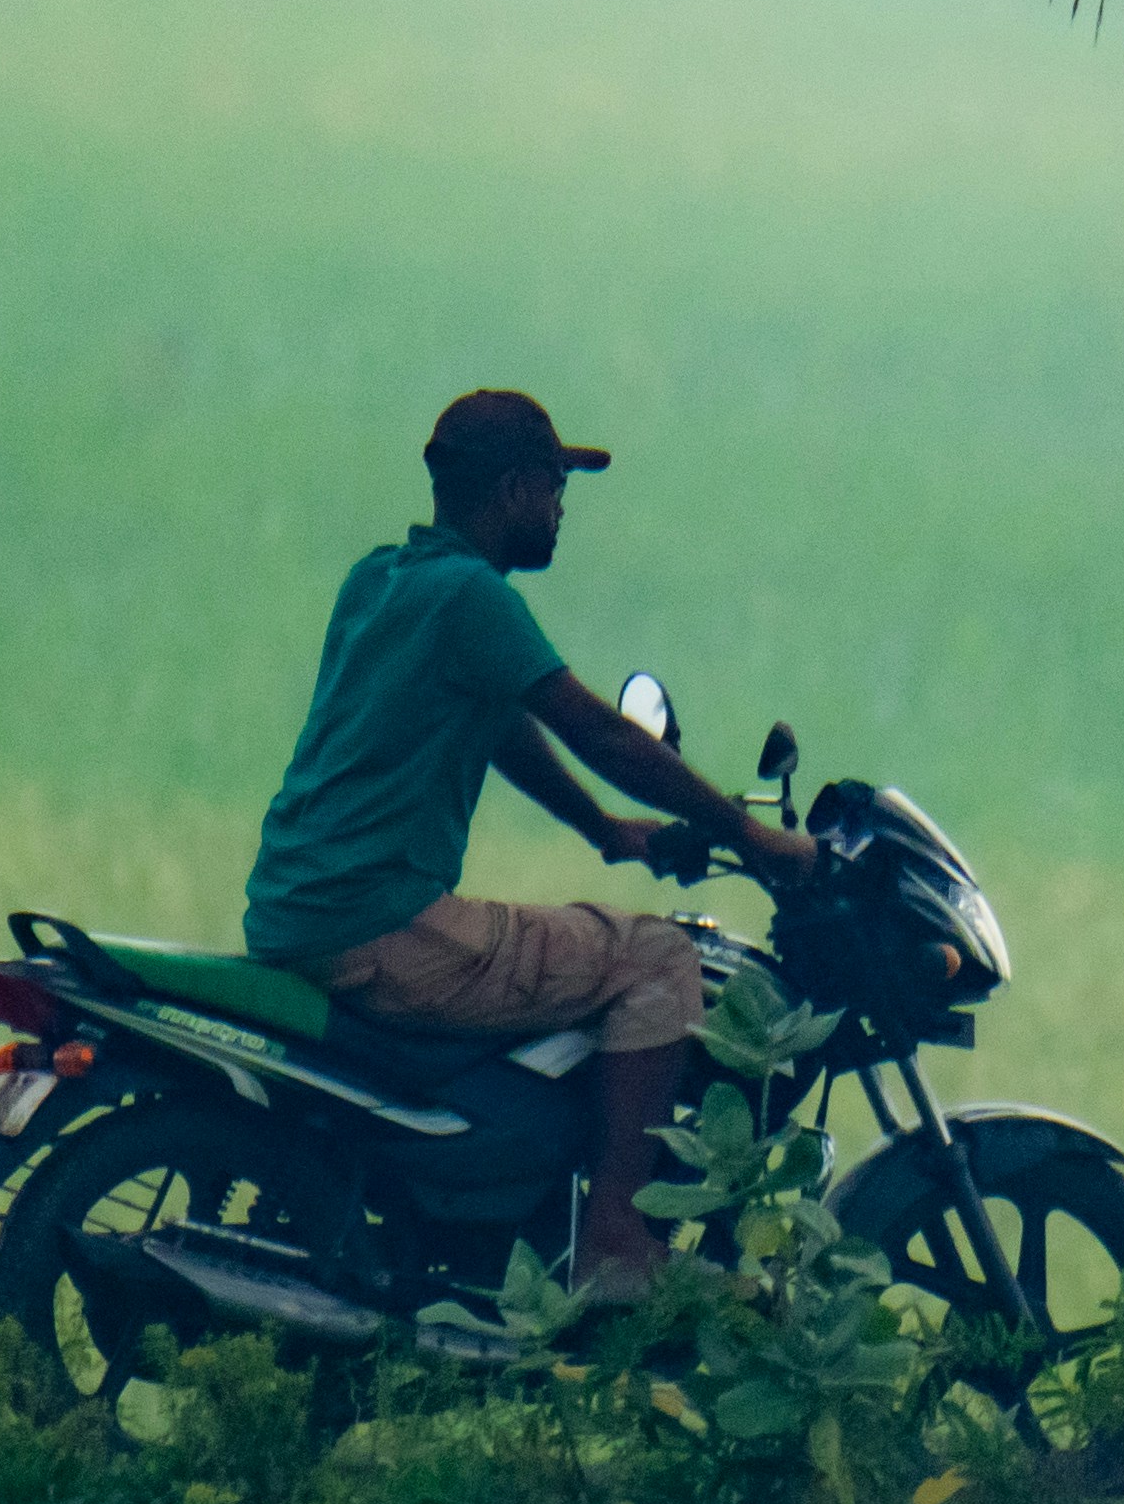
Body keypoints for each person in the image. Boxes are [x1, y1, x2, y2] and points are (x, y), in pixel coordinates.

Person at [242, 388, 815, 1298]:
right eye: (554, 488)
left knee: (613, 947)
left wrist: (607, 832)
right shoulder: (473, 597)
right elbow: (606, 734)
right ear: (512, 490)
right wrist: (750, 834)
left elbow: (500, 721)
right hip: (381, 923)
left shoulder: (381, 579)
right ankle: (620, 1244)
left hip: (296, 911)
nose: (559, 510)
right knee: (659, 959)